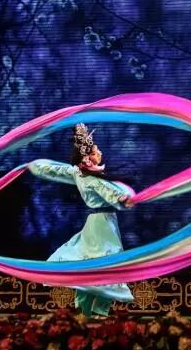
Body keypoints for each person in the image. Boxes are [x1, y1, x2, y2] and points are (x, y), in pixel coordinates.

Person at [27, 123, 135, 317]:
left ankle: (84, 310)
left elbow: (58, 171)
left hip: (97, 222)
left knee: (91, 267)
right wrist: (123, 199)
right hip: (103, 224)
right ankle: (98, 310)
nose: (100, 153)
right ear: (87, 158)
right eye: (95, 151)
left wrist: (38, 167)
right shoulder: (92, 179)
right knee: (108, 265)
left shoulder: (78, 173)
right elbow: (109, 192)